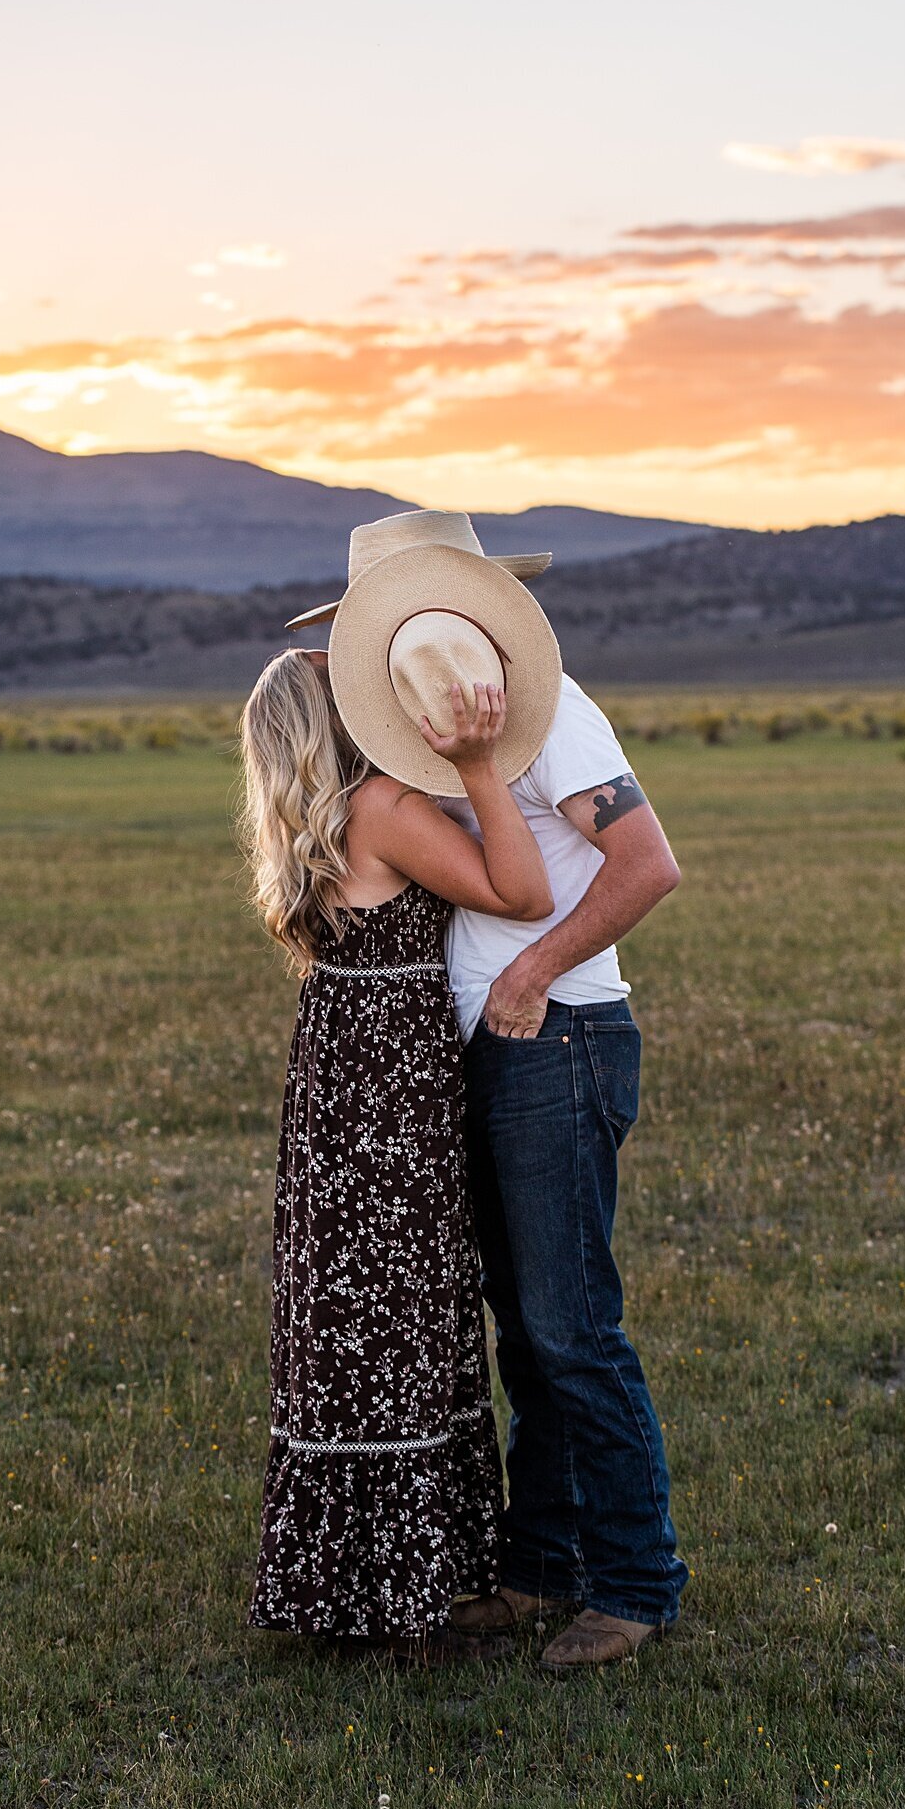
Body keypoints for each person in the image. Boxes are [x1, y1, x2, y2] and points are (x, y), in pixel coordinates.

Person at [313, 509, 688, 1673]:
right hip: (490, 1045)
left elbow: (648, 865)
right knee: (521, 1331)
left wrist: (528, 971)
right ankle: (537, 1569)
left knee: (572, 1332)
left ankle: (633, 1583)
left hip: (558, 1036)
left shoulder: (552, 715)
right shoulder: (435, 741)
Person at [239, 616, 552, 1665]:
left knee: (348, 1309)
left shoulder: (310, 821)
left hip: (337, 1077)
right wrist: (474, 763)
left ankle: (347, 1573)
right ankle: (404, 1577)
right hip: (394, 1088)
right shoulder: (383, 806)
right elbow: (523, 891)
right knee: (406, 1306)